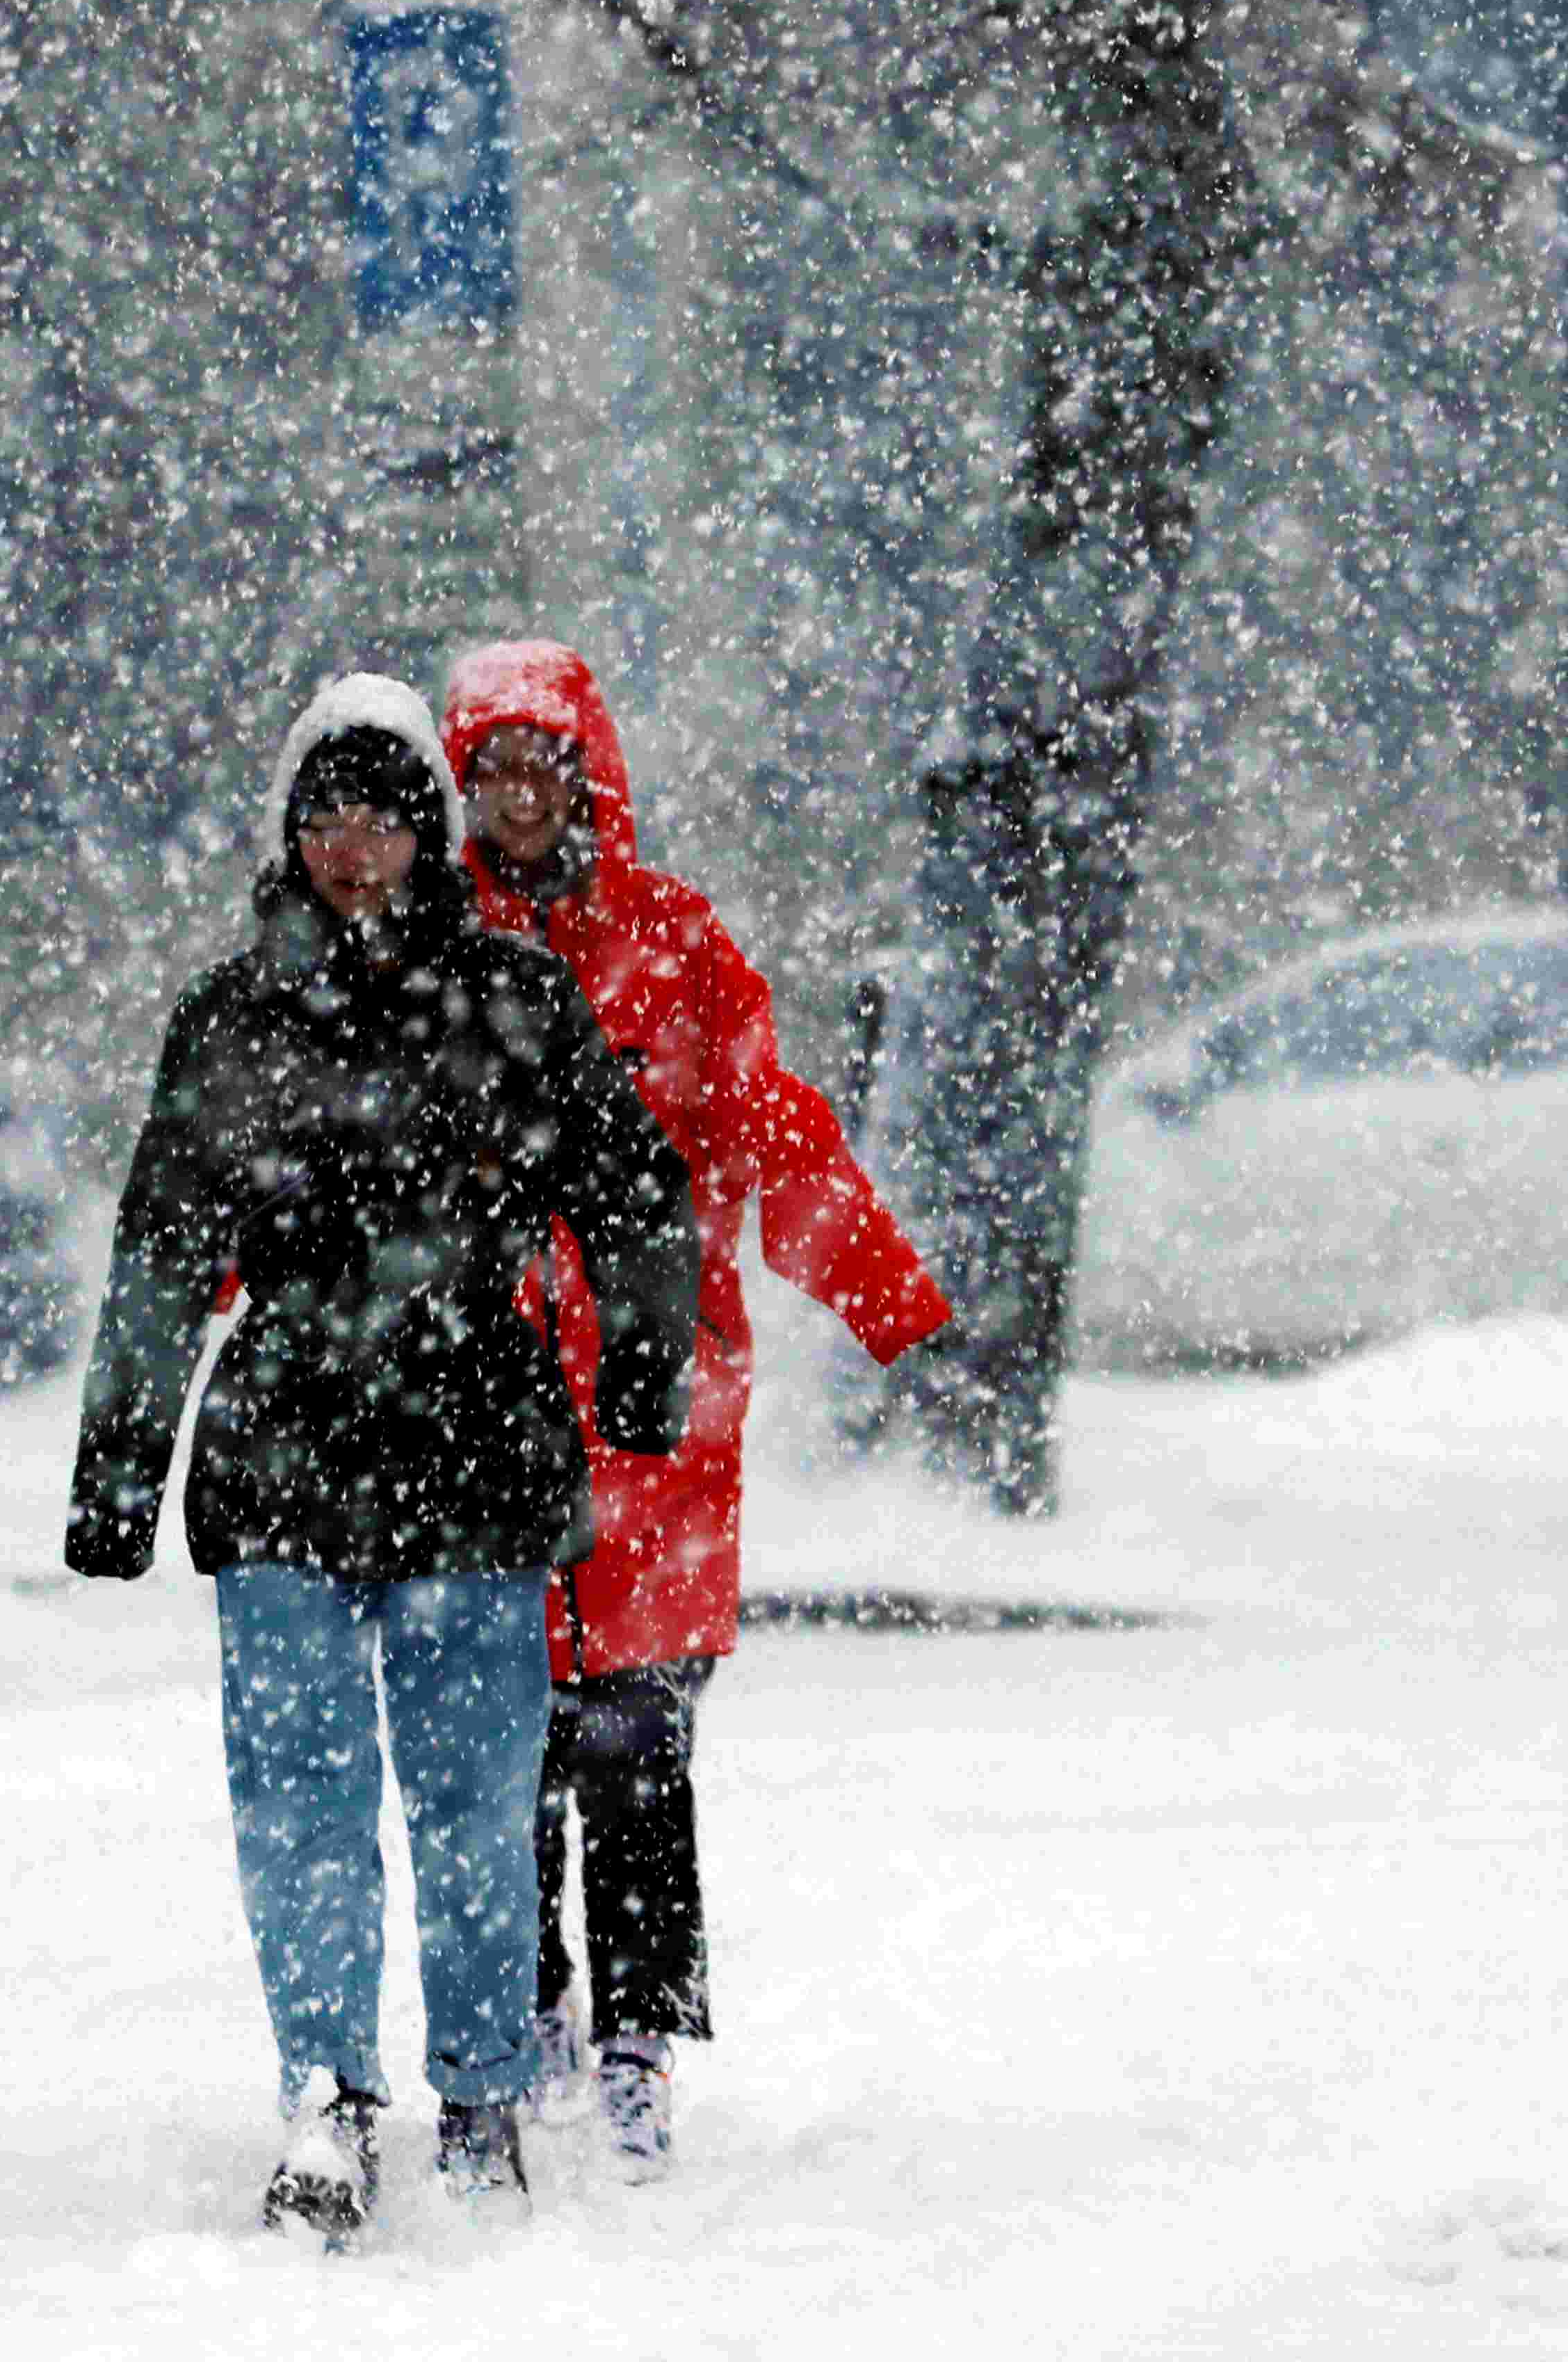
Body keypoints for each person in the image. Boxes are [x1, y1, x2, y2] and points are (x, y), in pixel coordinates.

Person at [63, 675, 699, 2242]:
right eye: (328, 818)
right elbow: (161, 1253)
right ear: (291, 834)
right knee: (297, 1794)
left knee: (476, 1796)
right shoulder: (230, 1019)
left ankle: (481, 2089)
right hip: (283, 1442)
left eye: (386, 815)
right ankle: (326, 2089)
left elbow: (632, 1187)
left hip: (473, 1445)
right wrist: (117, 1467)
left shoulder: (514, 1001)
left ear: (431, 828)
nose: (358, 849)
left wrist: (640, 1357)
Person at [437, 637, 952, 2177]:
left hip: (657, 1410)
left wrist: (886, 1292)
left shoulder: (676, 947)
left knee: (638, 1729)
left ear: (587, 777)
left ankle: (641, 2032)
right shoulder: (428, 949)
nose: (518, 801)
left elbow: (778, 1134)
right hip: (478, 1404)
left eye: (542, 770)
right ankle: (523, 2006)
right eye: (490, 776)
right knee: (500, 1735)